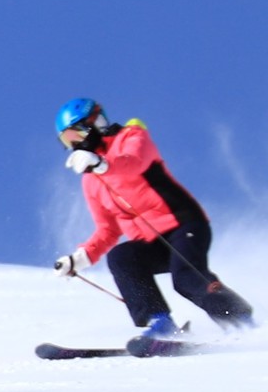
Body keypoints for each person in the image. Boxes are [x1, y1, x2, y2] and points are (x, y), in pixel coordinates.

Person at [50, 98, 254, 339]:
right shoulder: (90, 181)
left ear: (95, 123)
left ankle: (240, 321)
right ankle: (160, 323)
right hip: (152, 242)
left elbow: (133, 164)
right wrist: (80, 258)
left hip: (184, 224)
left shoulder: (131, 137)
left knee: (185, 278)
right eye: (67, 140)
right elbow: (108, 230)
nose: (75, 144)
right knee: (122, 257)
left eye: (77, 134)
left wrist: (102, 164)